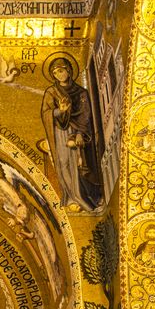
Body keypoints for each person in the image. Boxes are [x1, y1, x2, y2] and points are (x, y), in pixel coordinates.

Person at [40, 56, 103, 211]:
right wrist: (59, 111)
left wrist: (81, 132)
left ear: (68, 70)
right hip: (60, 132)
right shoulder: (52, 92)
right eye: (55, 73)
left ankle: (83, 196)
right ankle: (71, 196)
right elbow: (46, 113)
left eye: (61, 71)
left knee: (78, 163)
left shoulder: (81, 92)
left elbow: (86, 115)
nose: (59, 75)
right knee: (63, 163)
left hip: (76, 132)